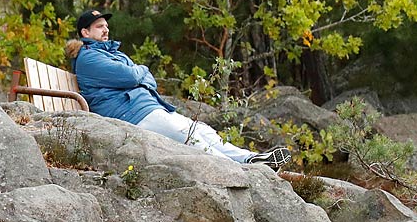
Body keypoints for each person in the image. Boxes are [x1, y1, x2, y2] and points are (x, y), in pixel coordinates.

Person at [67, 9, 290, 166]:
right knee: (190, 136)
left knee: (202, 130)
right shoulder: (89, 58)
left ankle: (250, 159)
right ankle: (240, 170)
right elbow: (130, 76)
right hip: (129, 114)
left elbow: (146, 79)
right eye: (99, 27)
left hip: (145, 108)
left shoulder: (111, 54)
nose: (105, 30)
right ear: (85, 33)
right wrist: (140, 71)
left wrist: (139, 74)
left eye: (106, 26)